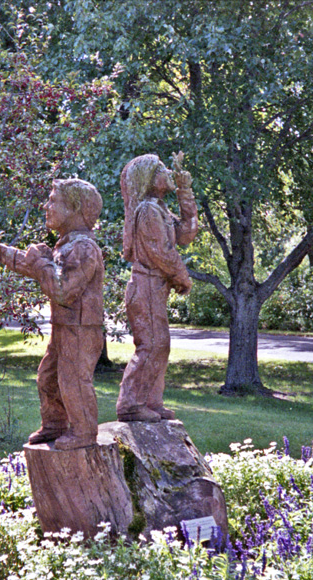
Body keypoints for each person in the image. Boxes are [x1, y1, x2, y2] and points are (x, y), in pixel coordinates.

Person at [0, 178, 104, 450]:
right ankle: (55, 424)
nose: (46, 206)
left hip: (81, 328)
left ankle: (84, 431)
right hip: (65, 326)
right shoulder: (67, 245)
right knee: (49, 377)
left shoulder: (84, 248)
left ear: (74, 208)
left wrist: (40, 262)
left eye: (53, 201)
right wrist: (11, 256)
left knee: (73, 380)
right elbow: (43, 271)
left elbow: (64, 291)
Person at [116, 153, 198, 422]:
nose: (168, 172)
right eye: (161, 169)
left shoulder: (159, 209)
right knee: (151, 345)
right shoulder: (148, 211)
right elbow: (160, 252)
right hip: (146, 286)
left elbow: (186, 234)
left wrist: (185, 192)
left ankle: (151, 402)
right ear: (149, 179)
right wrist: (182, 276)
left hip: (155, 288)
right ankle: (130, 404)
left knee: (160, 346)